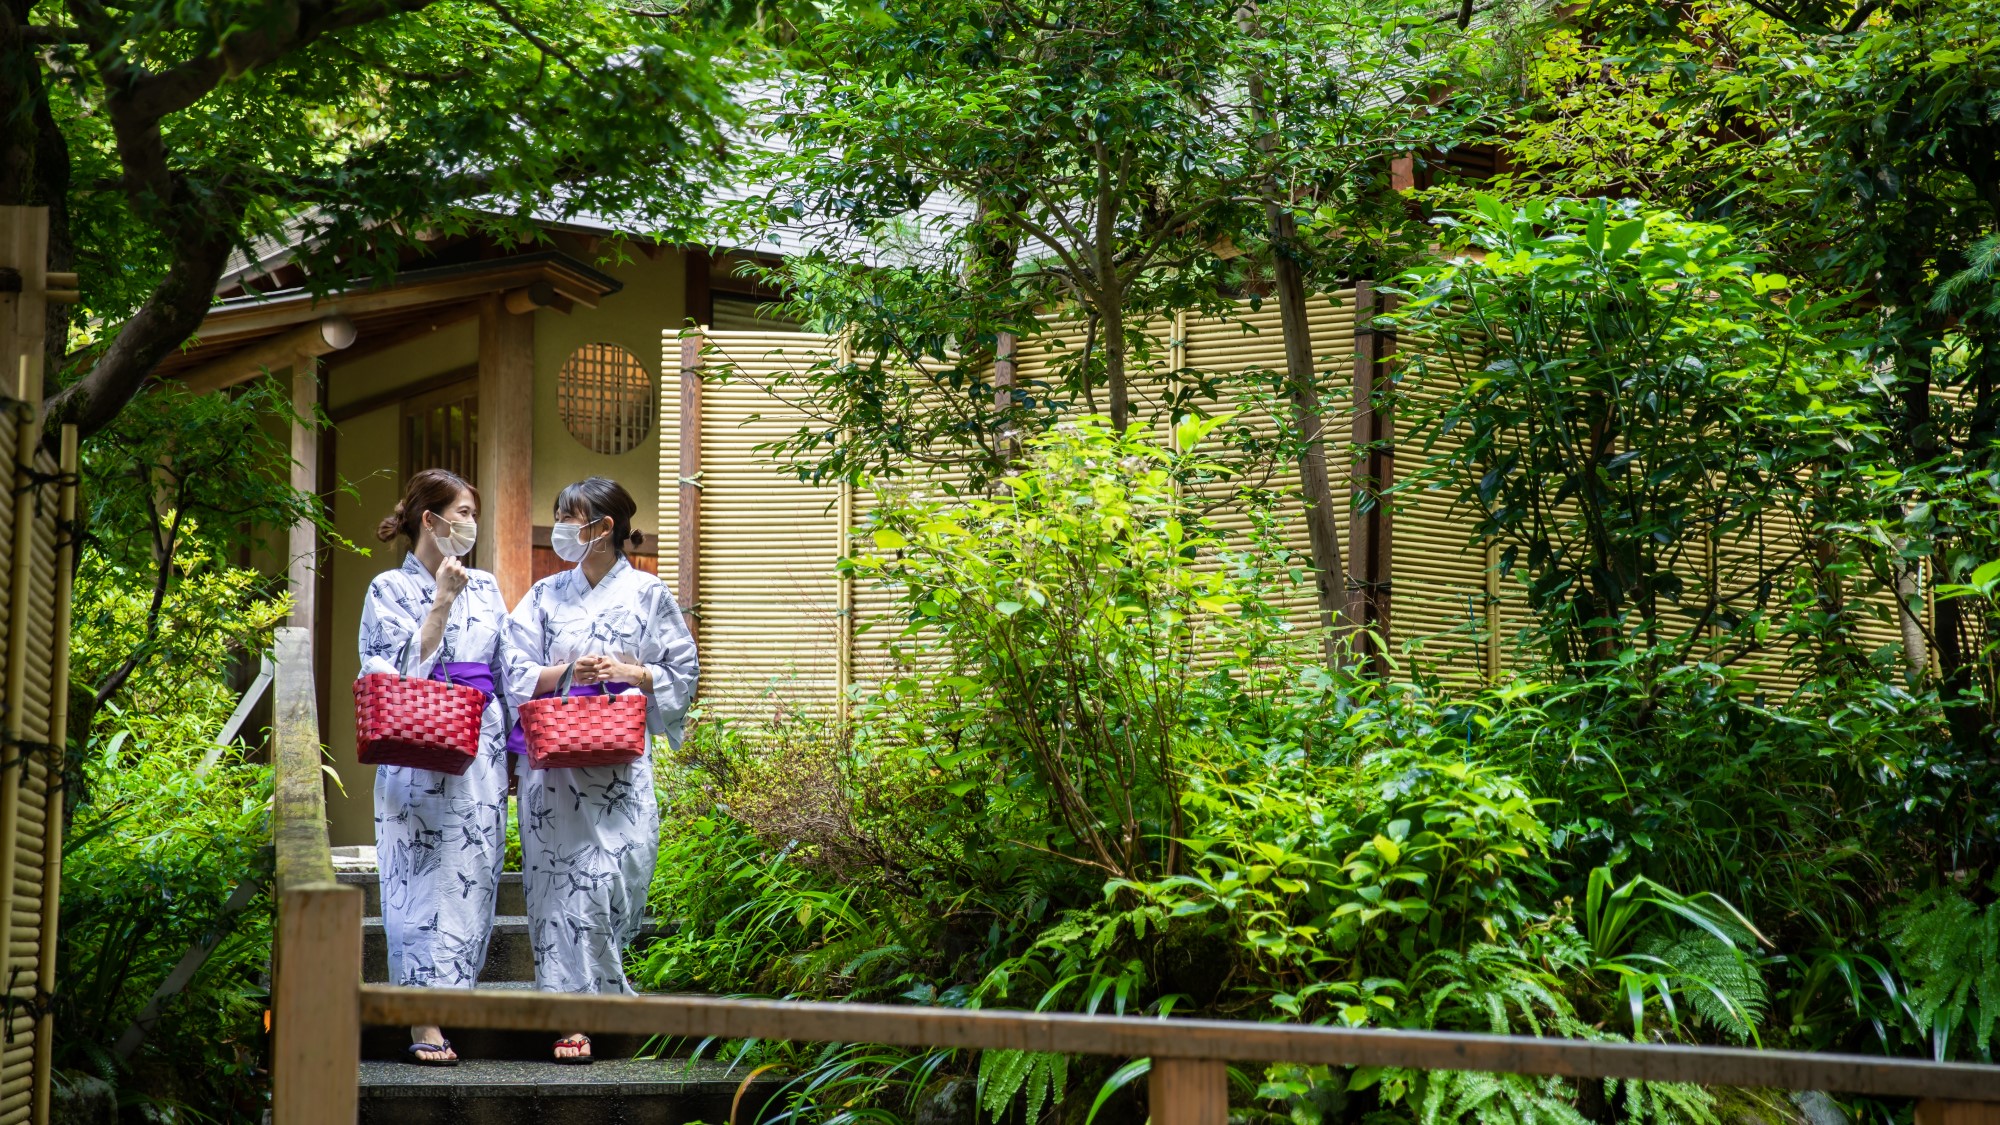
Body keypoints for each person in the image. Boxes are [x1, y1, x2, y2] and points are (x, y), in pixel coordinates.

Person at [506, 477, 699, 1064]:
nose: (562, 525)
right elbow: (512, 667)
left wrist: (630, 672)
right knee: (560, 890)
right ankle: (572, 1016)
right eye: (560, 514)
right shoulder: (543, 596)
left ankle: (602, 1001)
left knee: (615, 879)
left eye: (573, 516)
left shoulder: (648, 593)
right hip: (555, 775)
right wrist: (567, 673)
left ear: (604, 527)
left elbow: (682, 673)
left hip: (620, 770)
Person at [359, 469, 517, 1065]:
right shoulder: (387, 589)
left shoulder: (488, 585)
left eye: (474, 513)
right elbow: (388, 671)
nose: (470, 525)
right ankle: (421, 1021)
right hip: (416, 748)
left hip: (478, 749)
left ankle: (452, 1004)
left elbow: (505, 668)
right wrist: (442, 600)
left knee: (470, 884)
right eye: (462, 512)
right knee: (415, 887)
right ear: (430, 520)